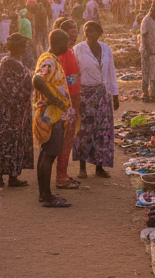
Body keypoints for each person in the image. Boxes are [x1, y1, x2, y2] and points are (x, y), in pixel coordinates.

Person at [32, 29, 76, 208]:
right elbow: (37, 79)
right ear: (58, 42)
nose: (68, 46)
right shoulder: (49, 60)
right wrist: (55, 101)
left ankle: (44, 194)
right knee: (49, 155)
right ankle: (47, 197)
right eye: (66, 42)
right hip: (51, 115)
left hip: (50, 114)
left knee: (46, 153)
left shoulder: (50, 59)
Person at [73, 20, 119, 179]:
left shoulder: (106, 49)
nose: (88, 33)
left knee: (103, 130)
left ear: (99, 33)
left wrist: (115, 95)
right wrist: (74, 96)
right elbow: (74, 74)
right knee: (84, 131)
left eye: (92, 30)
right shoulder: (78, 50)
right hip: (84, 95)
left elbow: (111, 72)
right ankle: (82, 167)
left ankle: (100, 166)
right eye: (86, 30)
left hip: (102, 93)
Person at [0, 33, 34, 187]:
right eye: (24, 46)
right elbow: (21, 86)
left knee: (5, 141)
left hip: (5, 110)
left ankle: (6, 176)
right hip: (12, 111)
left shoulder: (6, 61)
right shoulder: (12, 63)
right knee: (11, 141)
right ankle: (8, 176)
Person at [52, 17, 82, 189]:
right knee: (65, 139)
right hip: (67, 103)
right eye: (70, 36)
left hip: (68, 102)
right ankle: (61, 176)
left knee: (64, 139)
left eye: (75, 34)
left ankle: (62, 173)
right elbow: (67, 81)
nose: (74, 38)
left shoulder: (66, 53)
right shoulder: (64, 55)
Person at [140, 3, 155, 102]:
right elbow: (144, 36)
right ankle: (146, 94)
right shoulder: (146, 20)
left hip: (154, 52)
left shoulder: (152, 21)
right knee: (148, 74)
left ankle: (153, 94)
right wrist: (148, 50)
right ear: (152, 11)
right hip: (149, 53)